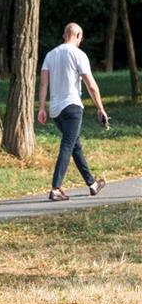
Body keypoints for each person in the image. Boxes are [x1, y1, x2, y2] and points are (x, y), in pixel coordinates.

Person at [38, 22, 108, 201]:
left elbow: (44, 83)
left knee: (75, 145)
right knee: (68, 145)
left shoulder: (50, 55)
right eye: (81, 38)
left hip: (55, 111)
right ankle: (55, 189)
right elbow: (91, 84)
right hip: (72, 107)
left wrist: (42, 108)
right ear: (77, 36)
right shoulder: (79, 54)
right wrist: (100, 108)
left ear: (64, 35)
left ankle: (92, 184)